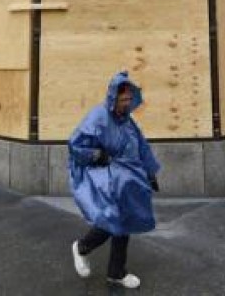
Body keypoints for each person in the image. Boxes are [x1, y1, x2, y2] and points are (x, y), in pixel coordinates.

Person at [67, 71, 161, 289]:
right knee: (112, 219)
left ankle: (116, 272)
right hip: (107, 177)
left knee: (124, 222)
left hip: (128, 178)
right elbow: (75, 144)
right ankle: (81, 247)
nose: (127, 103)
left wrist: (150, 172)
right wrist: (97, 155)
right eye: (123, 99)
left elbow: (141, 146)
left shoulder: (129, 122)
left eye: (129, 99)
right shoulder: (98, 117)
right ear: (113, 98)